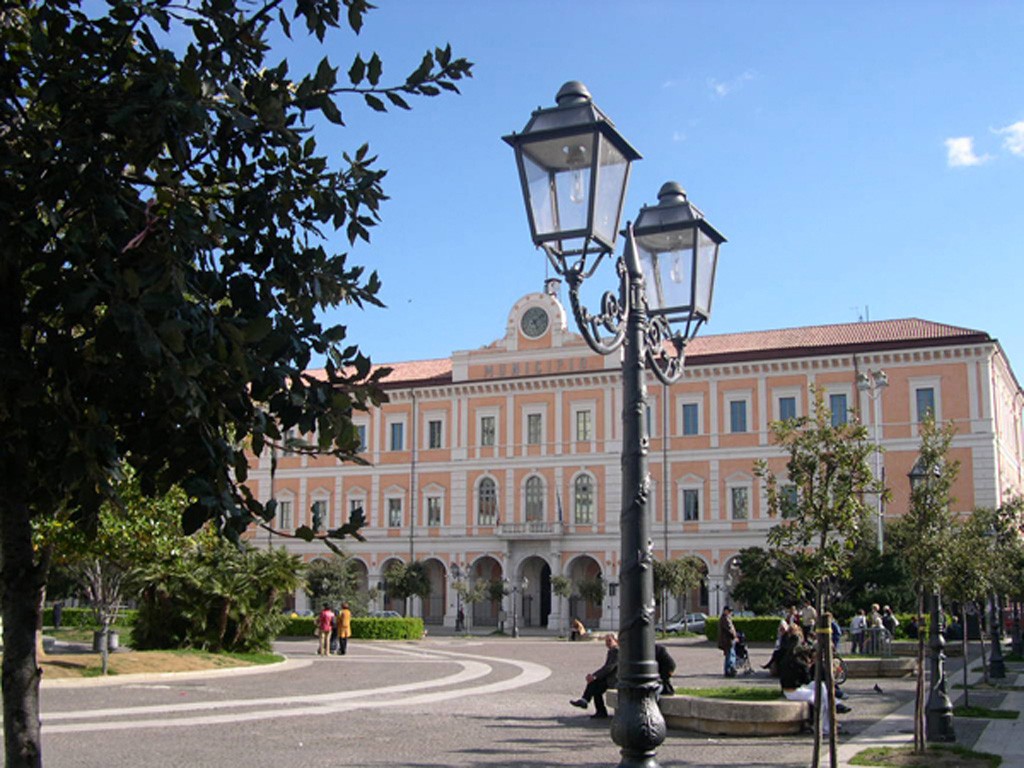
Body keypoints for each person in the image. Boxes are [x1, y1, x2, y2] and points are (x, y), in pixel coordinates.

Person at [778, 630, 851, 736]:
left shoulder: (785, 660)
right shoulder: (799, 663)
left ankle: (835, 705)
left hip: (789, 689)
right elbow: (806, 679)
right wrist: (807, 667)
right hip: (794, 690)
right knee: (821, 698)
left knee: (821, 686)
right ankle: (826, 726)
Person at [570, 633, 618, 719]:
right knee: (595, 686)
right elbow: (606, 668)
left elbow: (609, 668)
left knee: (594, 685)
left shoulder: (616, 651)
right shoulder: (612, 650)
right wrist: (594, 676)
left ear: (616, 641)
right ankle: (595, 708)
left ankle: (587, 702)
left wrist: (594, 676)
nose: (607, 643)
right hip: (610, 678)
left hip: (615, 679)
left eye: (609, 641)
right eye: (606, 641)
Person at [717, 606, 738, 677]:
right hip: (728, 641)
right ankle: (729, 671)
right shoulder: (725, 619)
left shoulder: (725, 618)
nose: (730, 612)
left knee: (729, 656)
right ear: (725, 611)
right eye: (729, 611)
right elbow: (729, 629)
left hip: (727, 640)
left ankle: (728, 671)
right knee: (730, 656)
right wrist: (734, 637)